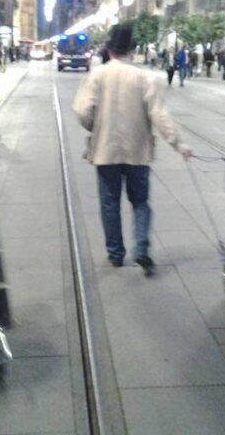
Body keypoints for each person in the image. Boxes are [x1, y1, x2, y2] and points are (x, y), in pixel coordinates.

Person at [72, 22, 192, 272]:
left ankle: (115, 254)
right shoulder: (146, 78)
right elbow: (160, 115)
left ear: (108, 49)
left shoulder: (96, 75)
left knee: (109, 203)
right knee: (140, 202)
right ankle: (142, 249)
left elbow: (83, 112)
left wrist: (96, 127)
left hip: (105, 151)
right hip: (138, 152)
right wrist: (179, 144)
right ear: (132, 49)